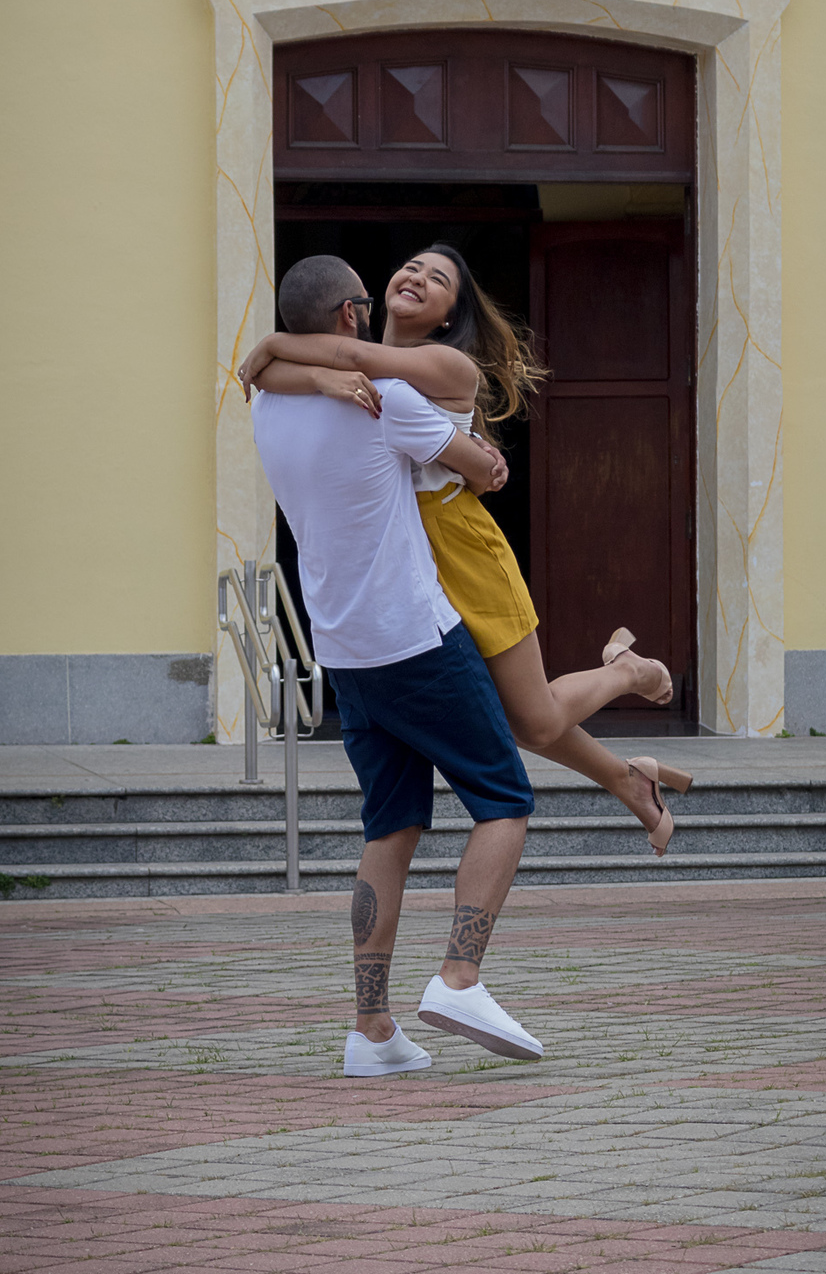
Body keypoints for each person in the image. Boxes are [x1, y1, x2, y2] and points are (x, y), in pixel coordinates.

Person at [240, 243, 692, 856]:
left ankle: (627, 672)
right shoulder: (344, 368)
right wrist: (302, 368)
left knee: (530, 720)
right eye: (412, 266)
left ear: (451, 315)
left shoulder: (441, 368)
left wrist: (274, 347)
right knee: (505, 718)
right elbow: (275, 376)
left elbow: (332, 359)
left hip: (460, 547)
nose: (419, 277)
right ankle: (628, 778)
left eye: (439, 279)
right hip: (400, 562)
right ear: (363, 302)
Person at [251, 253, 544, 1078]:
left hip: (343, 649)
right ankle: (458, 977)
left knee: (391, 826)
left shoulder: (270, 400)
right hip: (414, 636)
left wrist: (271, 353)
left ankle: (371, 1031)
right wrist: (484, 460)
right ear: (351, 315)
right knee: (504, 800)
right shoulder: (392, 401)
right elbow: (481, 468)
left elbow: (281, 364)